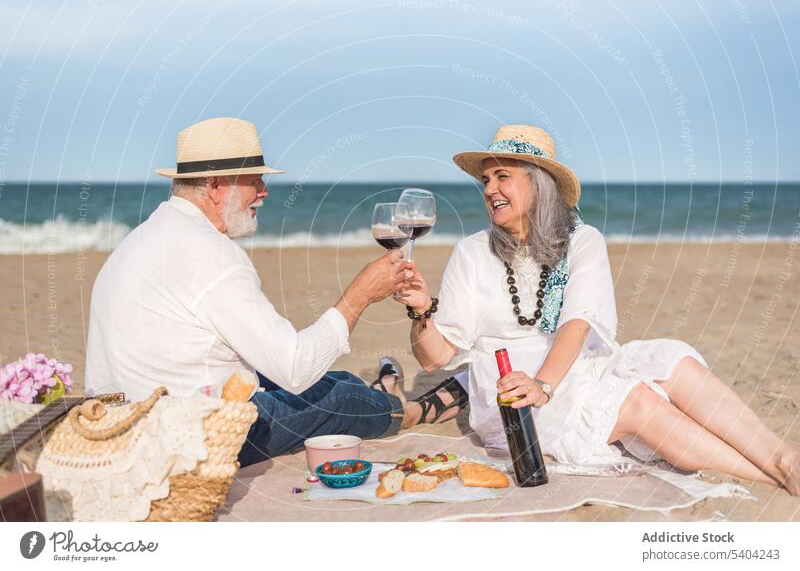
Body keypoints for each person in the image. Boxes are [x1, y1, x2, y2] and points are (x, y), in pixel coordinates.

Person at [393, 124, 800, 495]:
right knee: (639, 401)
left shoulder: (581, 240)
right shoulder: (471, 252)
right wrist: (421, 312)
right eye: (486, 180)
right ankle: (773, 475)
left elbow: (578, 322)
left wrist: (545, 385)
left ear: (538, 186)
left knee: (673, 362)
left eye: (503, 177)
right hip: (514, 399)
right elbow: (437, 357)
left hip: (573, 370)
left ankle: (784, 458)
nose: (489, 189)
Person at [85, 117, 419, 467]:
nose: (264, 190)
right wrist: (359, 296)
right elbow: (295, 368)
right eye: (254, 179)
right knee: (339, 395)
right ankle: (408, 411)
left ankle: (379, 396)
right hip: (189, 437)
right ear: (216, 187)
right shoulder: (210, 251)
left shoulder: (142, 237)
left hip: (120, 423)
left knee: (324, 379)